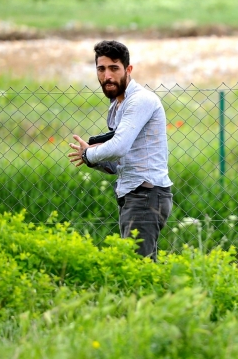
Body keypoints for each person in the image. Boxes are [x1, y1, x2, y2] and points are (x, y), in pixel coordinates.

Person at [68, 40, 173, 262]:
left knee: (138, 270)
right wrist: (93, 159)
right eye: (101, 69)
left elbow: (119, 147)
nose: (107, 76)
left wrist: (90, 154)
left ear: (128, 69)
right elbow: (120, 162)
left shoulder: (140, 100)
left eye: (114, 68)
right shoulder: (117, 105)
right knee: (142, 267)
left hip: (146, 195)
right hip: (134, 194)